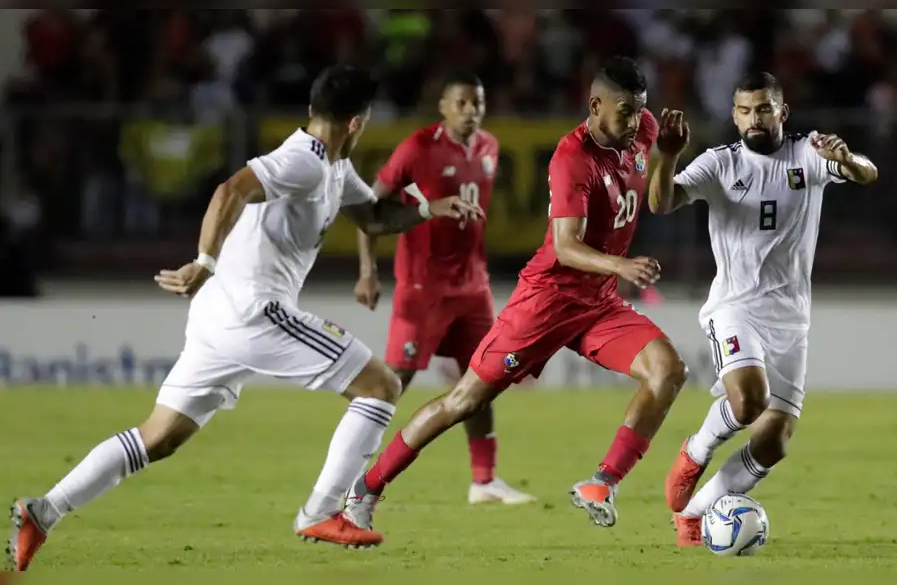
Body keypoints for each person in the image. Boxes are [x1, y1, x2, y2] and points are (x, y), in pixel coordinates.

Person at [6, 64, 483, 572]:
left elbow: (375, 216)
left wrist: (430, 209)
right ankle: (320, 511)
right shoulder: (302, 161)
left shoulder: (336, 168)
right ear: (357, 122)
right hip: (254, 311)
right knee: (381, 386)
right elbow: (229, 192)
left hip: (219, 318)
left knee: (159, 435)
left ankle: (42, 510)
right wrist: (204, 261)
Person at [342, 56, 691, 540]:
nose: (635, 122)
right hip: (547, 301)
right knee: (464, 400)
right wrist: (621, 265)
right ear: (595, 105)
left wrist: (668, 157)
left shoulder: (646, 130)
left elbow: (656, 200)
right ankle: (367, 488)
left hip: (598, 303)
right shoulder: (572, 158)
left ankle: (601, 483)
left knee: (668, 370)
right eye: (625, 111)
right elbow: (566, 246)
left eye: (640, 111)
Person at [653, 72, 879, 546]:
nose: (754, 119)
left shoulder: (809, 154)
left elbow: (868, 173)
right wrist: (669, 153)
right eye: (744, 111)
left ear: (782, 111)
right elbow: (661, 202)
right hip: (735, 307)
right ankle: (695, 451)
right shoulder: (718, 163)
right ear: (734, 115)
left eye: (763, 109)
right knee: (748, 401)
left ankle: (694, 513)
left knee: (774, 439)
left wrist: (848, 160)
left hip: (791, 318)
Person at [353, 71, 535, 505]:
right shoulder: (418, 147)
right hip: (422, 286)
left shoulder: (490, 147)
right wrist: (368, 270)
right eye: (463, 104)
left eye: (478, 103)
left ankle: (484, 480)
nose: (472, 112)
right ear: (443, 107)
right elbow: (369, 208)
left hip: (473, 286)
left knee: (483, 377)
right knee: (395, 380)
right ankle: (353, 468)